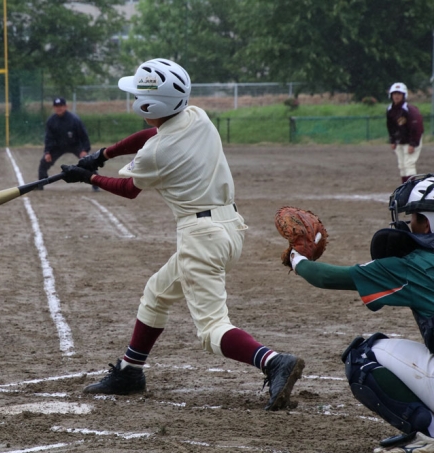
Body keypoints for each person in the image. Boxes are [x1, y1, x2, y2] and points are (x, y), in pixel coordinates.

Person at [59, 58, 305, 411]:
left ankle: (273, 361)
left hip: (201, 237)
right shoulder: (197, 116)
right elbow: (152, 134)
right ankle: (129, 372)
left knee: (212, 330)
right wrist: (103, 154)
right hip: (230, 227)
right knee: (157, 292)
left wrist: (88, 177)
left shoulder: (156, 154)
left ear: (149, 106)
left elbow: (129, 188)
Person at [287, 174, 434, 452]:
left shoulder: (413, 265)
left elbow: (326, 277)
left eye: (413, 217)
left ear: (427, 223)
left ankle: (432, 433)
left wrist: (296, 258)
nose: (407, 224)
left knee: (362, 357)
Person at [37, 97, 97, 191]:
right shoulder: (51, 121)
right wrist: (47, 152)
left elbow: (83, 135)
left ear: (65, 107)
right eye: (56, 106)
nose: (59, 108)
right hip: (58, 146)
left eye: (61, 106)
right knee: (44, 162)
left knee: (88, 162)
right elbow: (49, 138)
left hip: (75, 144)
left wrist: (85, 150)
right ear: (54, 108)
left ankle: (96, 183)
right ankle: (41, 183)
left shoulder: (74, 119)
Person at [387, 82, 424, 184]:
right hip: (400, 140)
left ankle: (411, 188)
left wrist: (413, 143)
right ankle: (404, 187)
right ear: (391, 95)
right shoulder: (390, 109)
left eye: (399, 94)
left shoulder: (410, 109)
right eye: (394, 94)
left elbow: (417, 127)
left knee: (409, 164)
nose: (396, 96)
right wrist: (392, 140)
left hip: (411, 140)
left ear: (404, 95)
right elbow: (391, 126)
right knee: (402, 165)